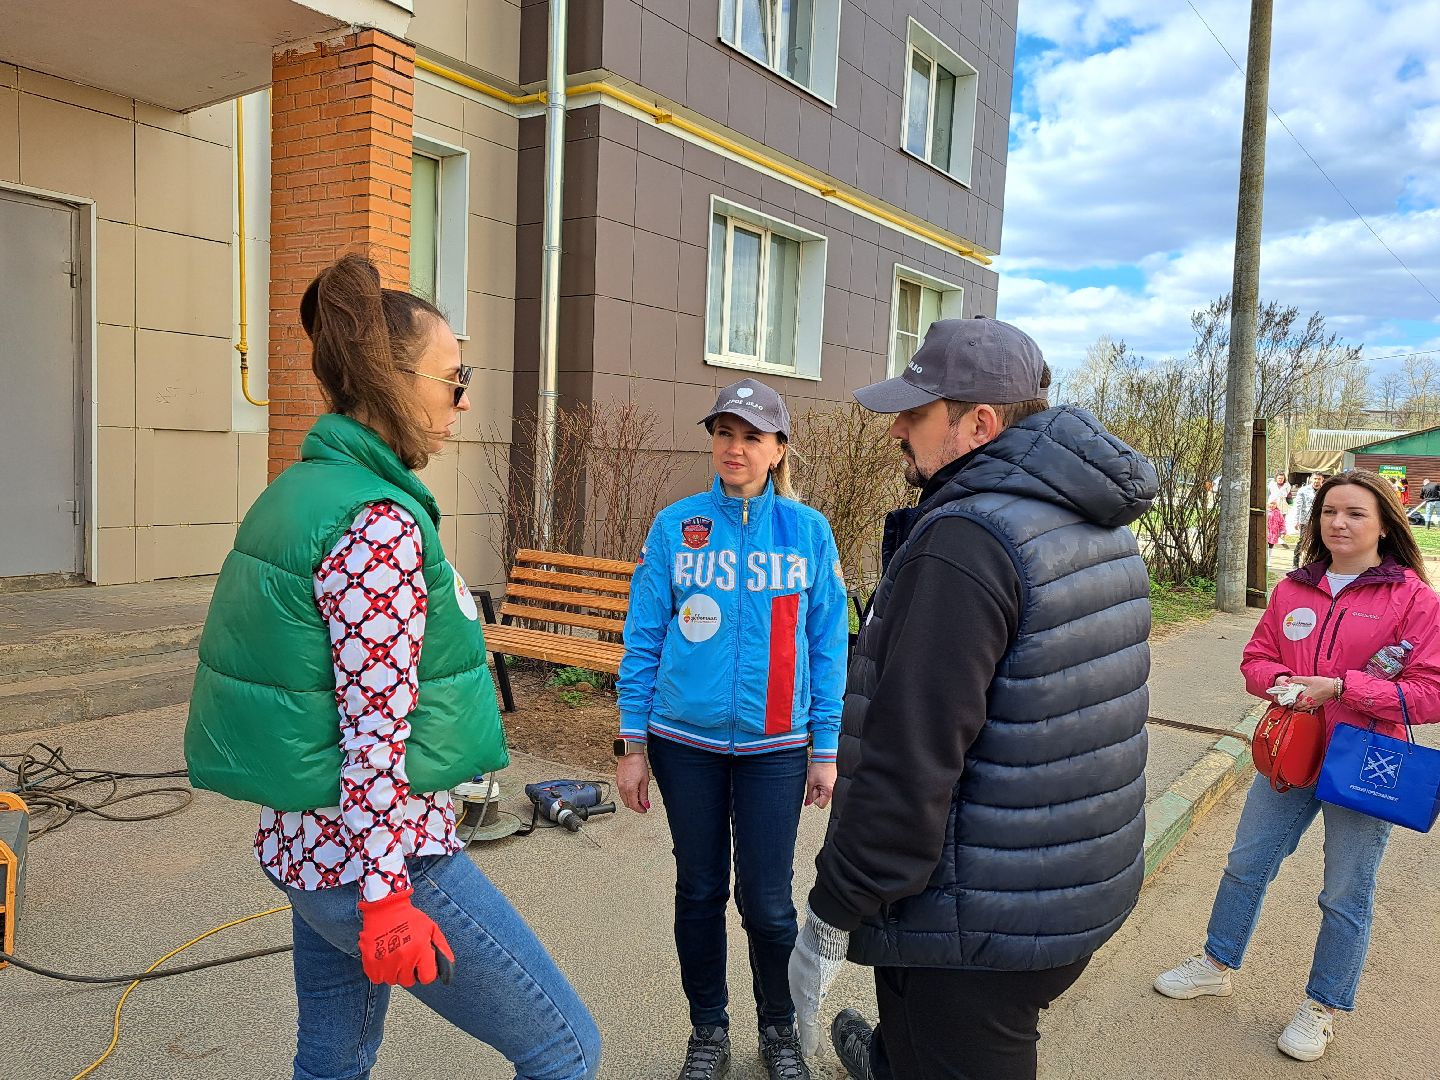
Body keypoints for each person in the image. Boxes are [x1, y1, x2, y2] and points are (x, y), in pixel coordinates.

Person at [185, 255, 600, 1080]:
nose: (464, 399)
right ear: (392, 380)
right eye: (454, 379)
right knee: (565, 1048)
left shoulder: (299, 492)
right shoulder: (377, 525)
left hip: (307, 849)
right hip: (384, 862)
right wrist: (385, 900)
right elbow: (376, 731)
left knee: (332, 1063)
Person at [786, 317, 1159, 1080]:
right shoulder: (1094, 516)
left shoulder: (968, 537)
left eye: (917, 413)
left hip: (974, 926)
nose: (897, 428)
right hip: (1071, 889)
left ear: (978, 423)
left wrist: (833, 910)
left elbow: (909, 757)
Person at [1154, 470, 1440, 1063]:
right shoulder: (1294, 589)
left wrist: (1342, 688)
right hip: (1290, 752)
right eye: (1330, 511)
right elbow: (1256, 658)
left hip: (1365, 759)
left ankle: (1323, 1005)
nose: (1339, 522)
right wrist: (1282, 683)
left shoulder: (1413, 599)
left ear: (1385, 523)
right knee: (1245, 864)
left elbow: (1431, 692)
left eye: (1356, 514)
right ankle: (1216, 962)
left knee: (1345, 893)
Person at [615, 378, 849, 1080]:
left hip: (777, 747)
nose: (735, 447)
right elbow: (644, 637)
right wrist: (632, 744)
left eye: (752, 436)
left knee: (770, 904)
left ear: (779, 450)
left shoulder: (807, 533)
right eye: (724, 433)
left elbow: (829, 644)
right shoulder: (675, 526)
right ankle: (707, 1031)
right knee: (699, 891)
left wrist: (826, 747)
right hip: (685, 745)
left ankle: (778, 1030)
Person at [1291, 471, 1326, 567]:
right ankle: (1296, 562)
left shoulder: (1325, 490)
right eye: (1315, 478)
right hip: (1305, 520)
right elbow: (1298, 506)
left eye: (1319, 479)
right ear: (1311, 479)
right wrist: (1296, 520)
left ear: (1322, 479)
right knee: (1302, 541)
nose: (1316, 481)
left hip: (1319, 520)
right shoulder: (1303, 490)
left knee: (1319, 541)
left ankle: (1317, 563)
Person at [1267, 472, 1291, 549]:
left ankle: (1280, 537)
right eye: (1279, 478)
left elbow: (1288, 495)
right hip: (1272, 503)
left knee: (1281, 521)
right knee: (1271, 522)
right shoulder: (1272, 484)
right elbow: (1269, 493)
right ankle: (1270, 537)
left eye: (1282, 478)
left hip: (1282, 504)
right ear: (1276, 478)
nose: (1280, 480)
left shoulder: (1287, 485)